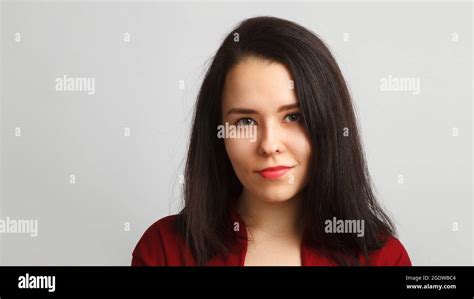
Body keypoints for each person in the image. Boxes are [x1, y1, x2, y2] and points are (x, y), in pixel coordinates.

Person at [131, 16, 412, 266]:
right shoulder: (163, 251)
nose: (269, 145)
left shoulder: (383, 258)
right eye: (245, 121)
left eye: (293, 117)